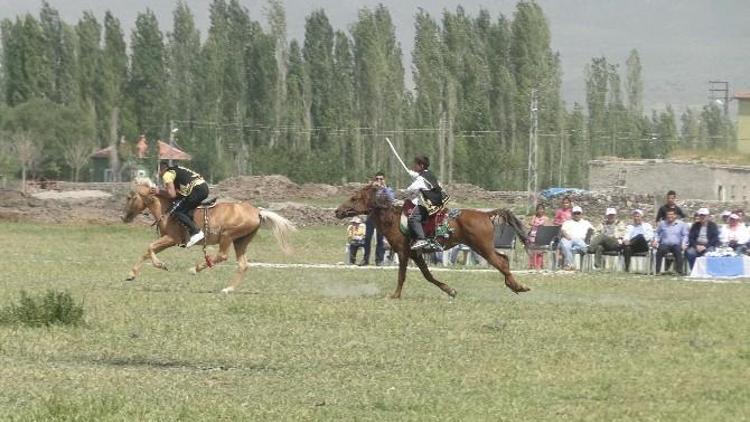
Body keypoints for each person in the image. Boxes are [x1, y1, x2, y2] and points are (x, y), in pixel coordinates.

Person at [151, 161, 209, 248]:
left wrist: (158, 191)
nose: (159, 175)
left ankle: (196, 232)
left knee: (177, 212)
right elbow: (178, 193)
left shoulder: (167, 174)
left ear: (161, 170)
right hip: (203, 188)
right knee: (187, 211)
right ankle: (187, 236)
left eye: (158, 172)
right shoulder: (177, 170)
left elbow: (172, 194)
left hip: (196, 190)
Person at [406, 155, 447, 250]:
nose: (414, 166)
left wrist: (402, 192)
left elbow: (410, 189)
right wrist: (411, 173)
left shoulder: (420, 179)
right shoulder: (429, 174)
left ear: (421, 166)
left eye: (415, 165)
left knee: (413, 218)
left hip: (430, 204)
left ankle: (421, 239)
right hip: (438, 202)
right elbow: (419, 176)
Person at [359, 171, 391, 266]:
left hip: (381, 217)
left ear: (384, 180)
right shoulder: (371, 190)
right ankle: (365, 259)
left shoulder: (388, 189)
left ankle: (379, 260)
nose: (379, 181)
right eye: (377, 179)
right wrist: (370, 187)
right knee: (367, 238)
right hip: (371, 216)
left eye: (381, 179)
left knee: (380, 239)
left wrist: (384, 188)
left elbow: (391, 199)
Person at [653, 209, 689, 275]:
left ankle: (679, 271)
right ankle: (658, 271)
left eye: (672, 214)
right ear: (666, 215)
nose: (670, 216)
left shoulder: (681, 224)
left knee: (678, 251)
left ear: (675, 215)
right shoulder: (662, 223)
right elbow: (657, 233)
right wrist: (655, 241)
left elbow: (685, 235)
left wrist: (684, 243)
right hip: (665, 244)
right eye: (668, 214)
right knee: (660, 250)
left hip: (676, 244)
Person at [559, 206, 594, 270]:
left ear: (581, 214)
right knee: (565, 245)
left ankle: (570, 263)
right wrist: (566, 236)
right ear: (572, 214)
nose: (576, 215)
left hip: (580, 240)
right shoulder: (567, 222)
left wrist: (588, 237)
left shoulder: (586, 222)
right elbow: (562, 231)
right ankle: (570, 264)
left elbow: (592, 230)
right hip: (568, 239)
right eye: (575, 213)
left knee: (583, 247)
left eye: (578, 213)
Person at [527, 204, 549, 269]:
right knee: (533, 250)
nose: (540, 210)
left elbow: (546, 226)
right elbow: (530, 223)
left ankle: (539, 265)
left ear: (544, 210)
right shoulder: (534, 217)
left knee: (540, 251)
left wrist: (538, 225)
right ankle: (532, 264)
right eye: (539, 209)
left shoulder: (546, 218)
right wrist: (535, 223)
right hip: (533, 234)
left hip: (541, 234)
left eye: (542, 209)